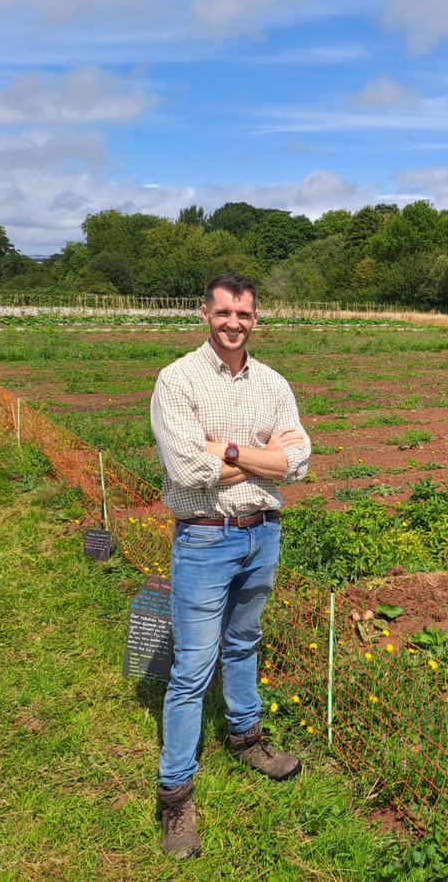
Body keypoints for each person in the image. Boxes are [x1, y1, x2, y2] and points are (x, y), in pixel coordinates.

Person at [149, 273, 311, 858]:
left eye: (244, 315)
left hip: (261, 533)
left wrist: (230, 451)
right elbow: (189, 472)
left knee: (244, 641)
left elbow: (299, 461)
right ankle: (175, 794)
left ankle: (246, 737)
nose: (233, 323)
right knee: (193, 666)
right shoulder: (178, 380)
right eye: (223, 313)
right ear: (204, 314)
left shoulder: (272, 383)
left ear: (256, 319)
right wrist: (264, 461)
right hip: (203, 538)